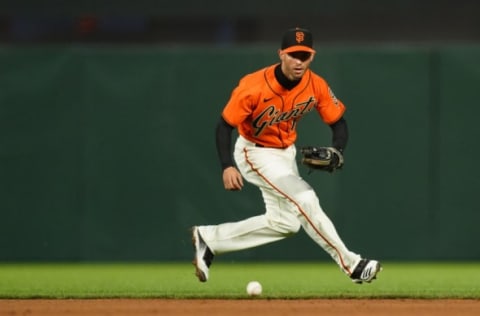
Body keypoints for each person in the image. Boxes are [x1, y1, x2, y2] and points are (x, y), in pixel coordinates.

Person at [192, 27, 381, 284]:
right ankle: (352, 265)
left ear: (312, 57)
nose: (299, 61)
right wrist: (227, 165)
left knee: (285, 224)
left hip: (285, 155)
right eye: (293, 55)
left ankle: (210, 238)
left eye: (305, 55)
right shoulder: (253, 86)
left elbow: (339, 123)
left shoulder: (316, 85)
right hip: (255, 152)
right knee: (306, 199)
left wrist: (338, 149)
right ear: (281, 54)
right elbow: (224, 126)